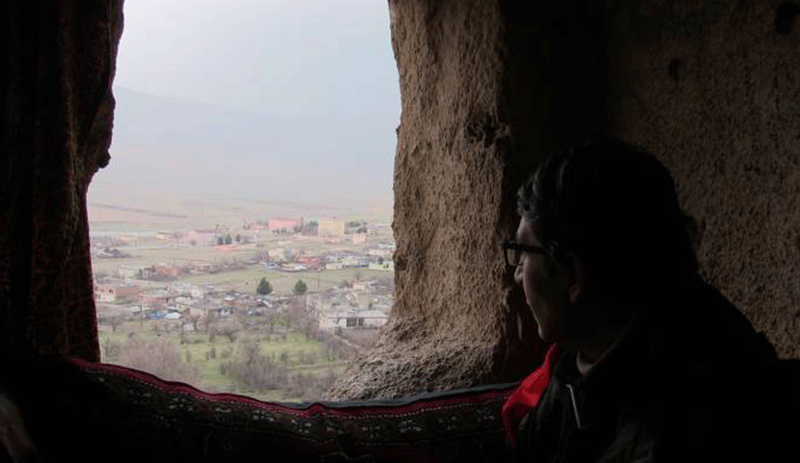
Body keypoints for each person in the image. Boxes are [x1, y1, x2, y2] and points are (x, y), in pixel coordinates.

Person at [501, 137, 798, 462]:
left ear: (573, 274)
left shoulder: (680, 419)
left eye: (524, 254)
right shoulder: (591, 358)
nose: (517, 276)